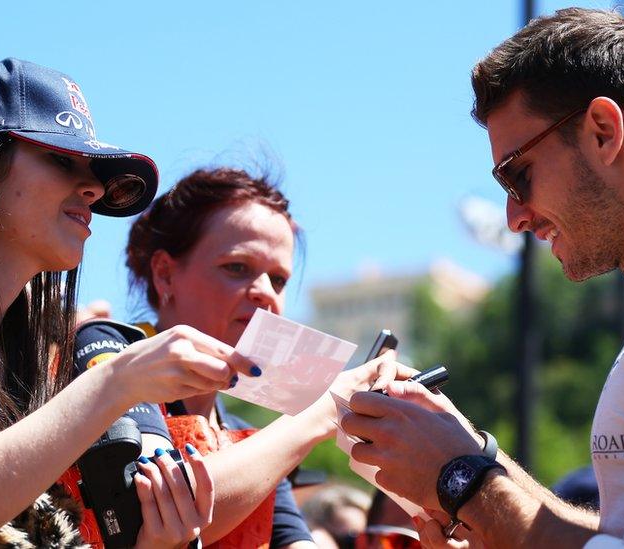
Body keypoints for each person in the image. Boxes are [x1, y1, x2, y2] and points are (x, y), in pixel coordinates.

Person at [339, 8, 624, 548]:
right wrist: (473, 459)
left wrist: (461, 480)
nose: (514, 216)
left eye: (518, 175)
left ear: (604, 132)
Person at [0, 58, 260, 547]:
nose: (94, 188)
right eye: (61, 159)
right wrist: (117, 380)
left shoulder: (28, 336)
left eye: (95, 171)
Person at [90, 166, 415, 548]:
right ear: (164, 275)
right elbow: (149, 512)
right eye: (237, 268)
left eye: (278, 280)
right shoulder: (109, 349)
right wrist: (320, 411)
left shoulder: (249, 437)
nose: (265, 293)